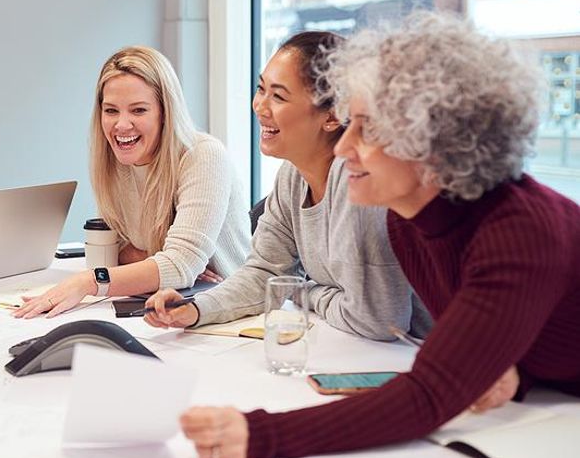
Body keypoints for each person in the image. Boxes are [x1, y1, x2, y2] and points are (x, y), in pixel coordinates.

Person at [178, 12, 580, 458]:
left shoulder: (519, 233)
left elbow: (428, 394)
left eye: (366, 128)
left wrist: (258, 436)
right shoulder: (409, 220)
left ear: (434, 143)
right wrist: (517, 368)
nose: (345, 147)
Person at [145, 31, 431, 340]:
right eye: (261, 89)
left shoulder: (357, 182)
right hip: (358, 348)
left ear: (333, 116)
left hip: (412, 356)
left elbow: (376, 321)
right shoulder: (292, 177)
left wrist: (303, 291)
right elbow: (264, 274)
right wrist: (197, 309)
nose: (260, 106)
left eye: (278, 96)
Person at [14, 45, 249, 318]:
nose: (121, 125)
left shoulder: (204, 156)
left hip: (229, 312)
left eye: (138, 110)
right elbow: (115, 248)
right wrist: (162, 264)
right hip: (168, 306)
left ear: (165, 112)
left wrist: (90, 281)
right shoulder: (115, 160)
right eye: (111, 111)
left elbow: (181, 264)